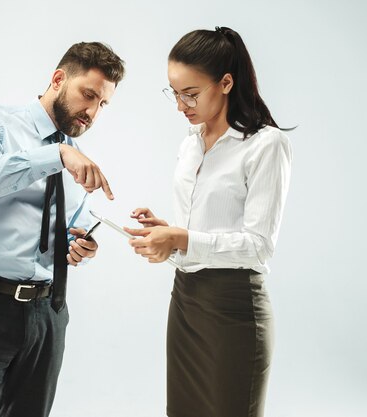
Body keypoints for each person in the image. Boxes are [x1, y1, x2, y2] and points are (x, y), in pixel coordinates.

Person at [0, 41, 125, 417]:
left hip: (47, 313)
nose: (92, 113)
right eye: (88, 95)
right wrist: (55, 156)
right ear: (57, 79)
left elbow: (73, 225)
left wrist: (82, 244)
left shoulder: (75, 157)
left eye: (102, 104)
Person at [124, 27, 292, 417]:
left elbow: (258, 246)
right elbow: (200, 230)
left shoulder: (266, 145)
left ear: (227, 82)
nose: (180, 105)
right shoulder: (190, 142)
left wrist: (181, 237)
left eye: (191, 93)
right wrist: (164, 233)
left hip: (233, 309)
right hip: (185, 300)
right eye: (174, 92)